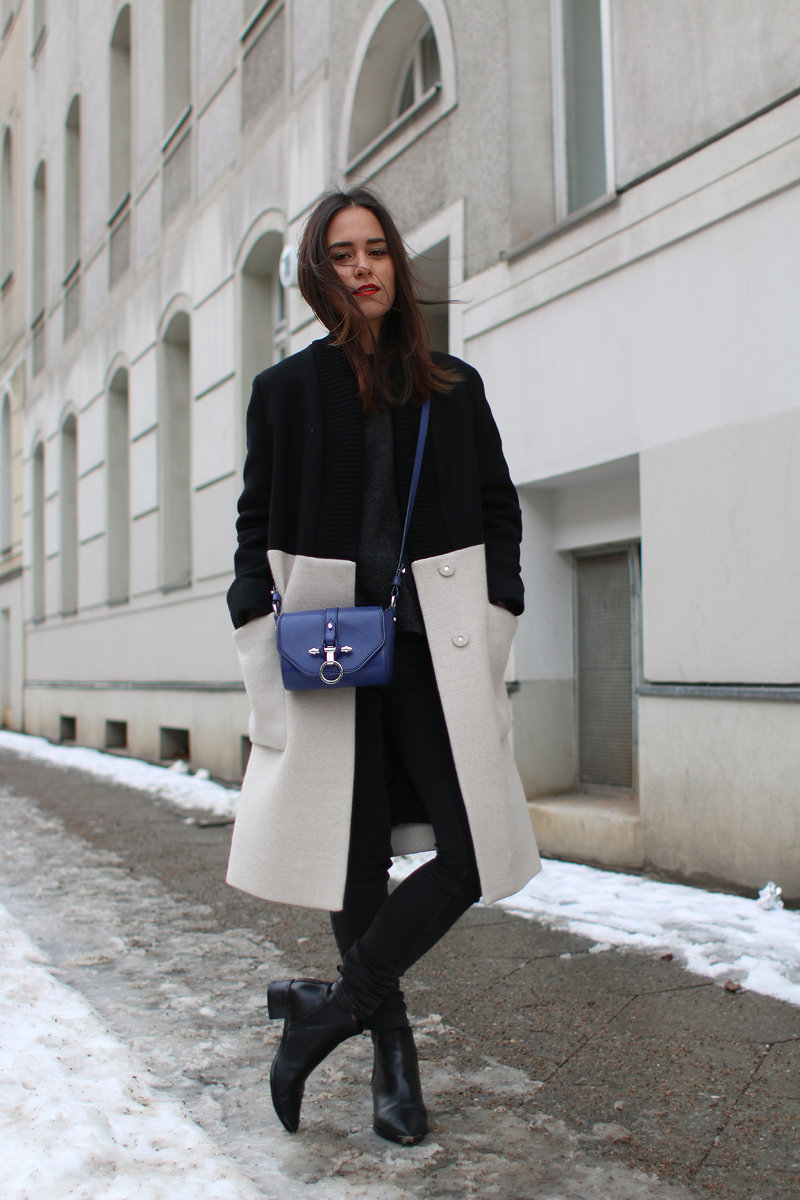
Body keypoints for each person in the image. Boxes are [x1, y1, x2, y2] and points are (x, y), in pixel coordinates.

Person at [226, 187, 541, 1146]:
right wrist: (252, 609)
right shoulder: (285, 391)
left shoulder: (453, 383)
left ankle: (327, 1011)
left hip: (428, 646)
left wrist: (498, 610)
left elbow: (498, 509)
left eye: (376, 250)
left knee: (473, 846)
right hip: (326, 643)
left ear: (397, 265)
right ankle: (391, 1054)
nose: (363, 267)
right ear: (319, 277)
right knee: (351, 850)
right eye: (341, 255)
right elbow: (253, 524)